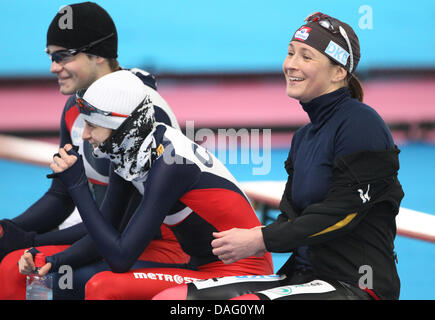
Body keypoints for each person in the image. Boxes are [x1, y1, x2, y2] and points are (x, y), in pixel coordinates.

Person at [153, 12, 404, 300]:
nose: (291, 65)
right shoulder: (303, 137)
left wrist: (260, 239)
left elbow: (343, 214)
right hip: (302, 276)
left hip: (357, 286)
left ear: (338, 72)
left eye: (306, 57)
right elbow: (290, 215)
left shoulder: (362, 124)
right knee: (172, 299)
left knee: (246, 306)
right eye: (290, 53)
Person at [28, 69, 273, 300]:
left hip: (242, 271)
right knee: (55, 277)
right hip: (201, 266)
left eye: (92, 125)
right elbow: (102, 236)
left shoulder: (171, 162)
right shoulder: (128, 153)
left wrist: (78, 185)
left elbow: (120, 258)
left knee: (101, 285)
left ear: (118, 126)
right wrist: (51, 259)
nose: (84, 135)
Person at [0, 2, 187, 300]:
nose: (52, 68)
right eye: (50, 57)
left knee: (50, 273)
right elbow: (60, 196)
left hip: (159, 245)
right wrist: (9, 231)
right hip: (110, 235)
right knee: (13, 263)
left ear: (97, 55)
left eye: (61, 56)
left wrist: (30, 240)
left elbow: (124, 226)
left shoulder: (141, 113)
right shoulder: (76, 107)